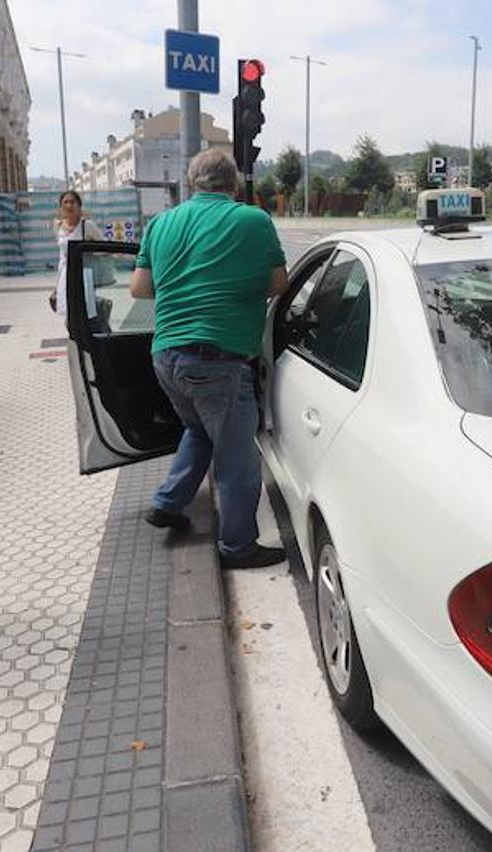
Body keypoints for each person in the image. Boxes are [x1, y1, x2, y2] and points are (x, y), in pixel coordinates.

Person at [130, 148, 289, 569]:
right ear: (234, 184)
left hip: (165, 356)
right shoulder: (253, 220)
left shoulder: (161, 224)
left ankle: (167, 503)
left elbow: (140, 289)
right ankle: (238, 547)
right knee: (237, 459)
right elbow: (279, 283)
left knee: (198, 430)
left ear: (190, 182)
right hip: (218, 361)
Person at [51, 190, 101, 315]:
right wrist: (56, 286)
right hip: (64, 276)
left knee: (84, 314)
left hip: (84, 275)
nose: (69, 206)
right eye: (65, 202)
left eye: (72, 202)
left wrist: (89, 251)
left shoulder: (87, 226)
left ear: (79, 205)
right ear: (61, 207)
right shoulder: (58, 226)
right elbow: (61, 256)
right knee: (68, 315)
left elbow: (103, 248)